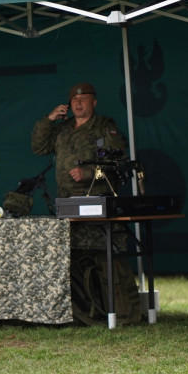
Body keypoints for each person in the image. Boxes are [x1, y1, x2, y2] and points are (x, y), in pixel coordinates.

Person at [31, 82, 140, 325]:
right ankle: (84, 315)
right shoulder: (63, 129)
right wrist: (49, 119)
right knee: (74, 263)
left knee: (107, 263)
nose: (78, 104)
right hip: (68, 207)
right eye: (74, 101)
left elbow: (118, 165)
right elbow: (39, 147)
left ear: (94, 102)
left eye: (84, 99)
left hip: (98, 207)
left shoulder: (104, 128)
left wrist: (89, 173)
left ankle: (122, 314)